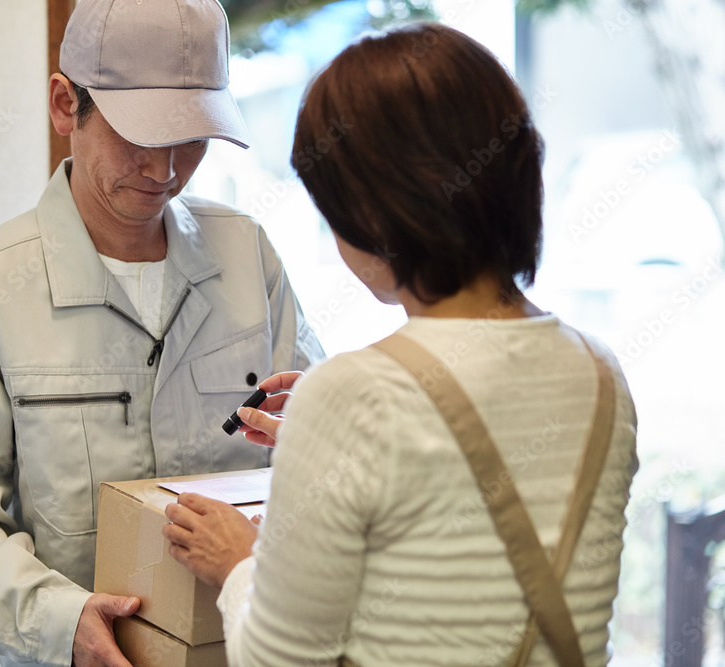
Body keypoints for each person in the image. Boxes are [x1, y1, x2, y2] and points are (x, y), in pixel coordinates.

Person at [163, 23, 639, 666]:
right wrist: (331, 432)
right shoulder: (602, 373)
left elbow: (279, 660)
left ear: (376, 214)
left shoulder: (353, 397)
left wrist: (239, 564)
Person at [0, 0, 324, 664]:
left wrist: (316, 433)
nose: (166, 169)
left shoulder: (248, 257)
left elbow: (318, 451)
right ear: (65, 105)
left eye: (192, 137)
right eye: (141, 136)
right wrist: (58, 618)